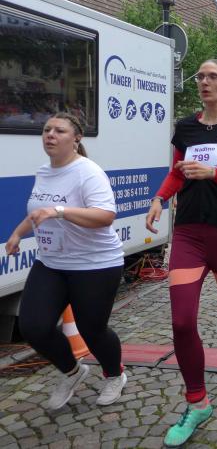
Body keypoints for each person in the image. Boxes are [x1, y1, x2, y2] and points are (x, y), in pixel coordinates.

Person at [145, 59, 217, 447]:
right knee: (181, 321)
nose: (204, 81)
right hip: (190, 234)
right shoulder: (186, 127)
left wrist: (214, 174)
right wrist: (160, 198)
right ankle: (197, 402)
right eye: (200, 76)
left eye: (213, 76)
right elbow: (177, 171)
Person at [3, 112, 126, 410]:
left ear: (76, 138)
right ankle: (72, 371)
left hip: (95, 264)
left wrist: (60, 211)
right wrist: (17, 233)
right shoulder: (44, 171)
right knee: (34, 327)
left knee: (92, 330)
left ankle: (115, 375)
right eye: (47, 130)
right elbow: (38, 211)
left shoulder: (88, 172)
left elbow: (105, 216)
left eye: (59, 130)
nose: (50, 135)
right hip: (52, 263)